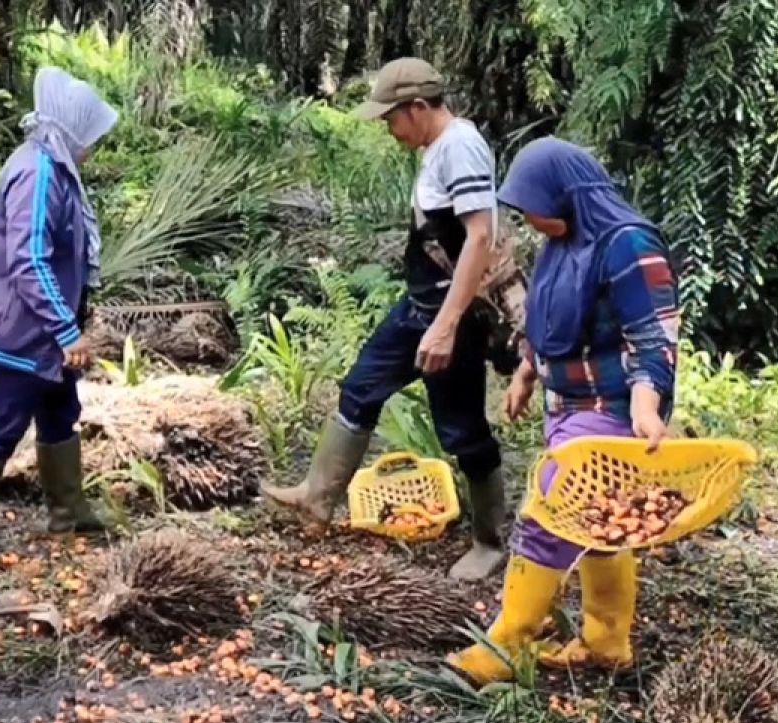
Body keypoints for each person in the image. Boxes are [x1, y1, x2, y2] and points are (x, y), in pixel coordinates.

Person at [262, 57, 508, 580]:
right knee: (361, 388)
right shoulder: (436, 148)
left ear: (418, 108)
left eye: (391, 118)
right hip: (418, 308)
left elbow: (481, 239)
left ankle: (489, 541)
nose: (389, 128)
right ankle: (316, 496)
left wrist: (446, 324)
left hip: (449, 315)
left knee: (462, 429)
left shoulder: (460, 148)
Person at [447, 136, 679, 684]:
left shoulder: (628, 244)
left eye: (534, 206)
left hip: (611, 409)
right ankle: (607, 642)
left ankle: (508, 643)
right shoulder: (562, 240)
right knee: (599, 521)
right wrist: (527, 371)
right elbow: (548, 317)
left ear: (567, 195)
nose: (528, 219)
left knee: (550, 512)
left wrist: (647, 407)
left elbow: (656, 336)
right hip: (567, 404)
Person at [0, 66, 118, 567]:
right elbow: (28, 260)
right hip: (19, 330)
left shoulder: (56, 164)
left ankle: (68, 512)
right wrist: (67, 330)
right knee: (6, 422)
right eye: (91, 138)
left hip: (43, 331)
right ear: (70, 131)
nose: (94, 148)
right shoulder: (38, 173)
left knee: (60, 413)